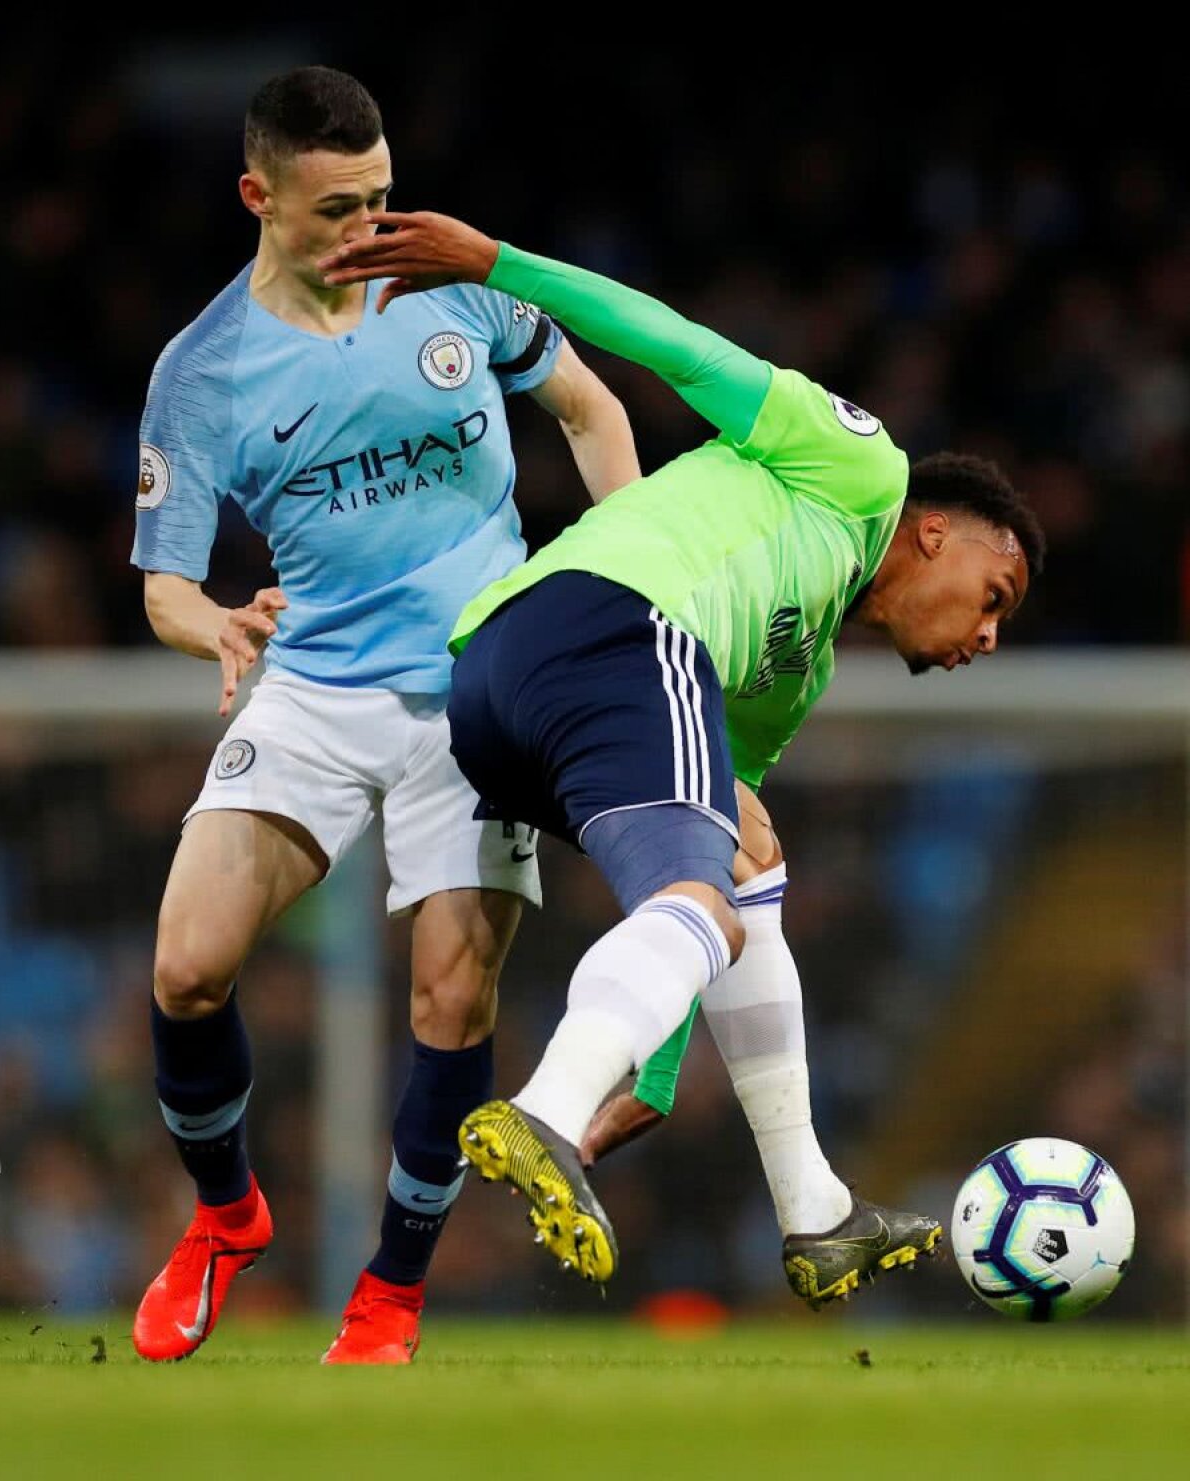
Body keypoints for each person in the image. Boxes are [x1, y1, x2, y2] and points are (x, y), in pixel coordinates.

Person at [320, 210, 1044, 1301]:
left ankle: (815, 1211)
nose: (986, 638)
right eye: (995, 598)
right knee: (713, 890)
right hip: (612, 622)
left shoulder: (792, 670)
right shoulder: (859, 465)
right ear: (940, 533)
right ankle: (547, 1110)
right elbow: (674, 343)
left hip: (506, 687)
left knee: (743, 861)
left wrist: (656, 1071)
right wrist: (495, 264)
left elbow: (700, 847)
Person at [129, 68, 640, 1364]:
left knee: (450, 1007)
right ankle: (228, 1216)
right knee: (187, 967)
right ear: (258, 195)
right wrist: (220, 627)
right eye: (337, 207)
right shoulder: (204, 374)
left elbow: (589, 405)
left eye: (383, 198)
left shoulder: (453, 278)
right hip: (309, 684)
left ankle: (389, 1294)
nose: (371, 229)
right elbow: (165, 588)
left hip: (478, 685)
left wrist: (620, 571)